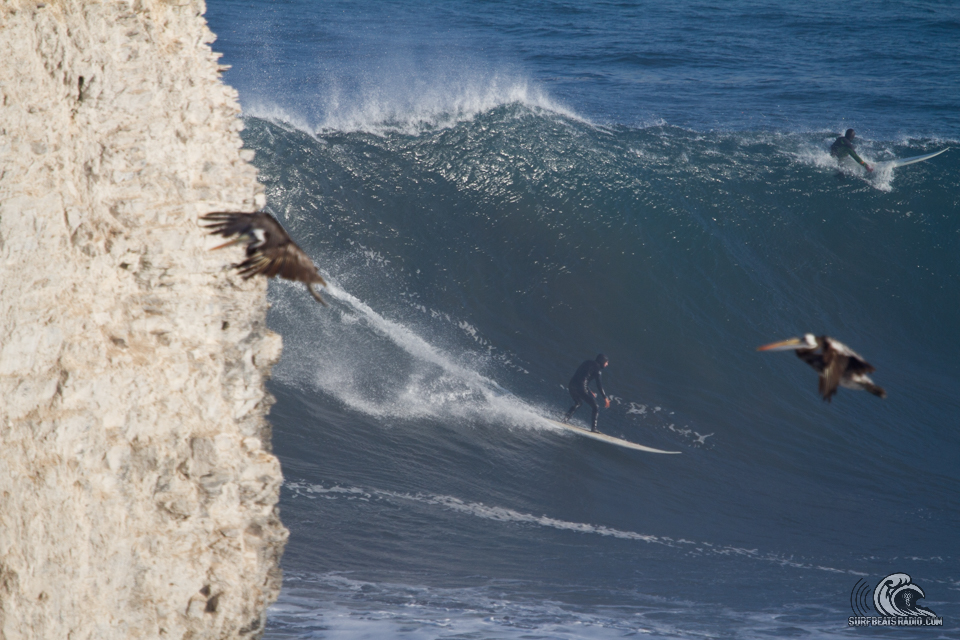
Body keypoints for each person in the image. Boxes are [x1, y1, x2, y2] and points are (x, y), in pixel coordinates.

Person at [562, 354, 610, 432]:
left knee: (578, 403)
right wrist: (605, 398)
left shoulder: (586, 362)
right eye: (606, 362)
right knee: (596, 407)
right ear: (602, 361)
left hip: (572, 385)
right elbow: (599, 385)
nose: (607, 364)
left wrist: (589, 391)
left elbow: (581, 377)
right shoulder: (598, 369)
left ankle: (565, 419)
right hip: (581, 387)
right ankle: (593, 428)